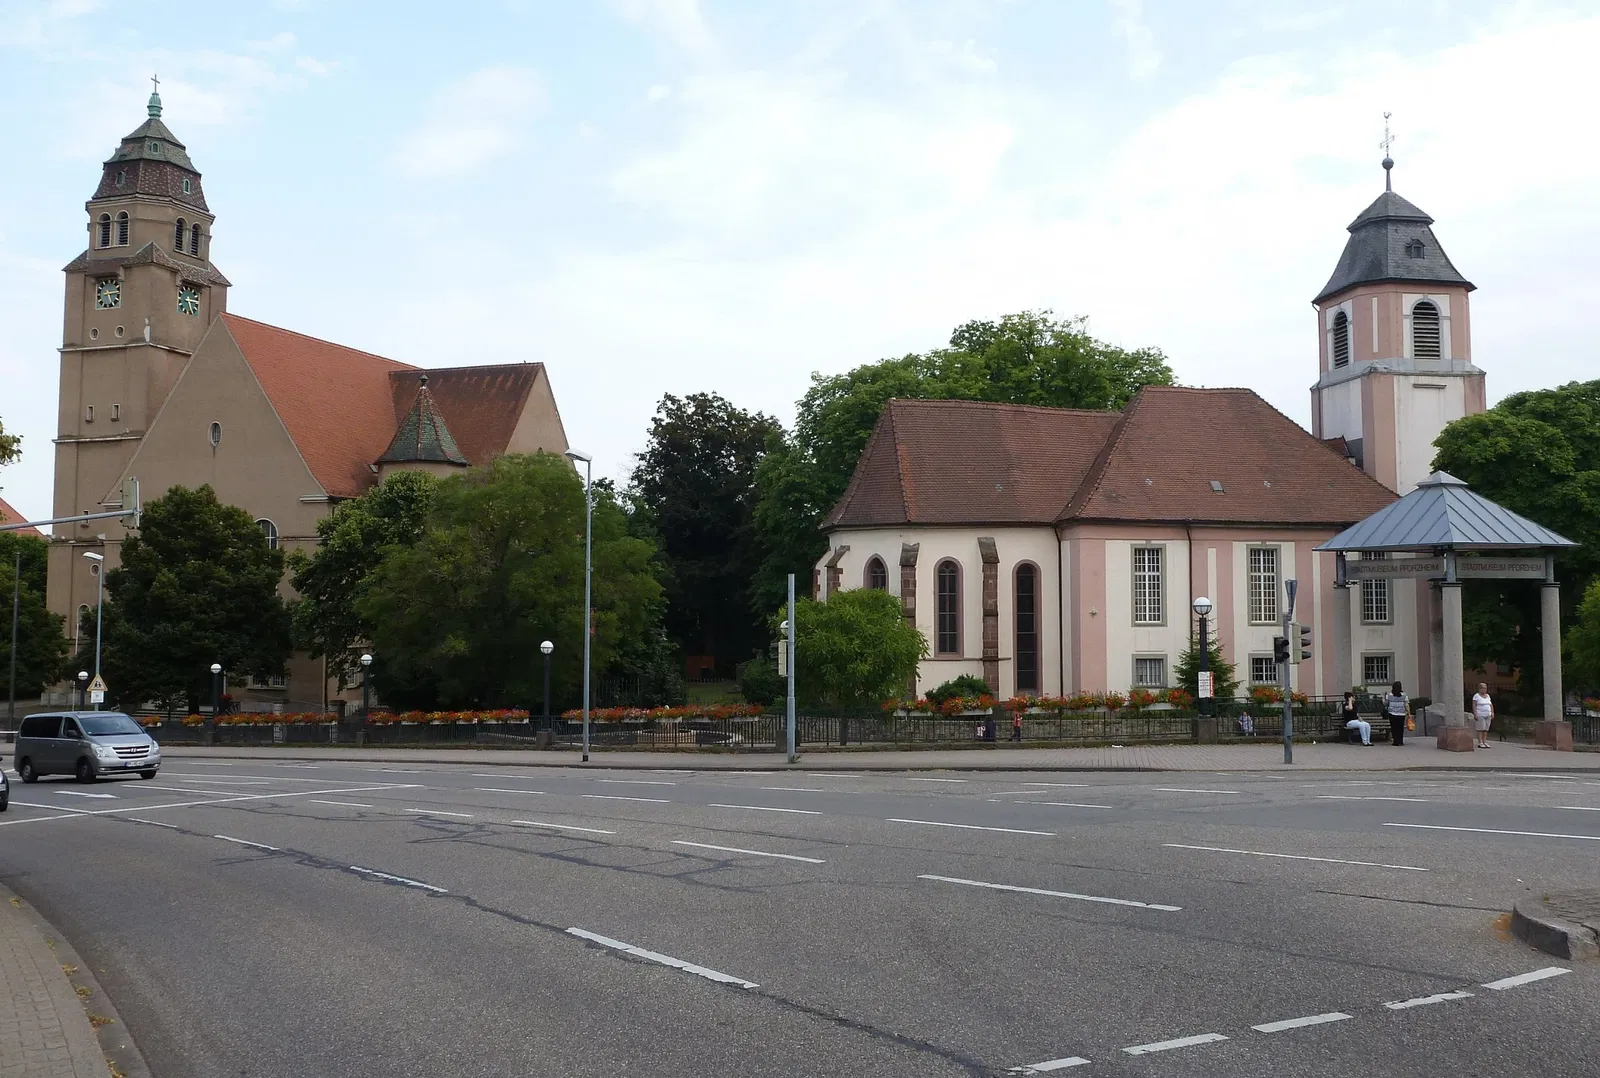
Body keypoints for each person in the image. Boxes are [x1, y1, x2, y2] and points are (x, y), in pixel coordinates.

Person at [1382, 681, 1410, 746]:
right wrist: (1409, 713)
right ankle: (1400, 741)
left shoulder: (1389, 695)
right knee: (1400, 728)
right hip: (1401, 713)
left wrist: (1383, 698)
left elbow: (1386, 704)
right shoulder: (1404, 695)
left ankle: (1395, 741)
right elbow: (1406, 705)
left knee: (1394, 728)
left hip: (1392, 713)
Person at [1472, 682, 1495, 749]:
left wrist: (1492, 712)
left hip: (1488, 714)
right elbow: (1474, 705)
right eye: (1483, 688)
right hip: (1480, 714)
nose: (1485, 690)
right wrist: (1475, 713)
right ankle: (1480, 742)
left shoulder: (1488, 696)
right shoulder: (1476, 696)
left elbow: (1490, 705)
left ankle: (1485, 741)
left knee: (1486, 729)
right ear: (1479, 689)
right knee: (1480, 729)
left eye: (1485, 688)